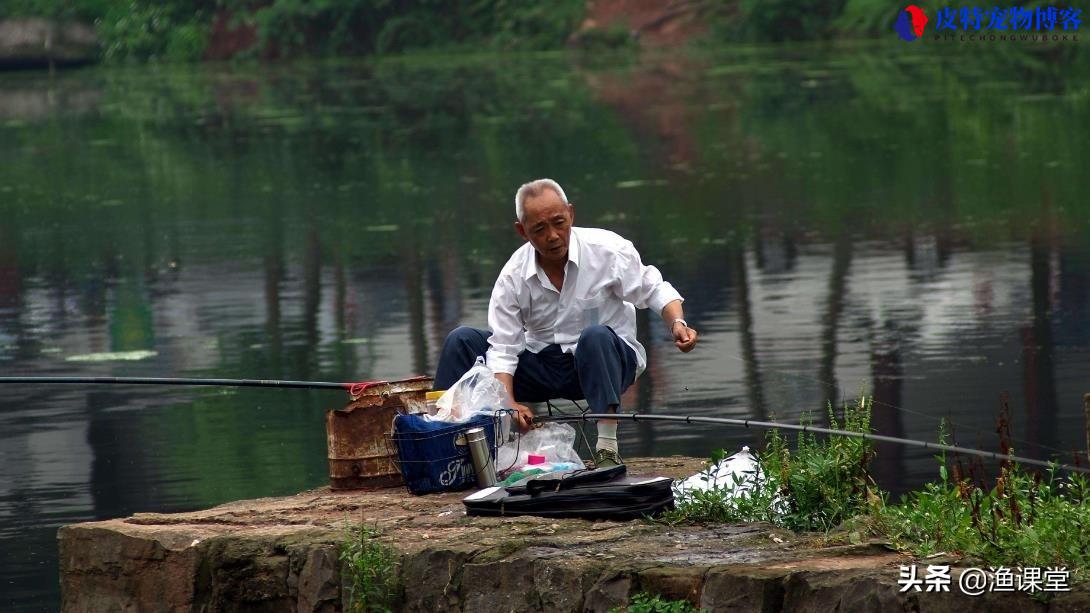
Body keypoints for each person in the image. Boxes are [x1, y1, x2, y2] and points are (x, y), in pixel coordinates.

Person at [434, 178, 697, 467]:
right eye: (539, 229)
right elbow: (504, 348)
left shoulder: (607, 249)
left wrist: (677, 323)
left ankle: (607, 449)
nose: (553, 236)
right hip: (545, 364)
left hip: (607, 361)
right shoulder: (512, 275)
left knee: (594, 337)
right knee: (462, 341)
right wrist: (508, 403)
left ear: (571, 214)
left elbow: (654, 288)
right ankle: (444, 446)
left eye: (559, 223)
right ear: (522, 231)